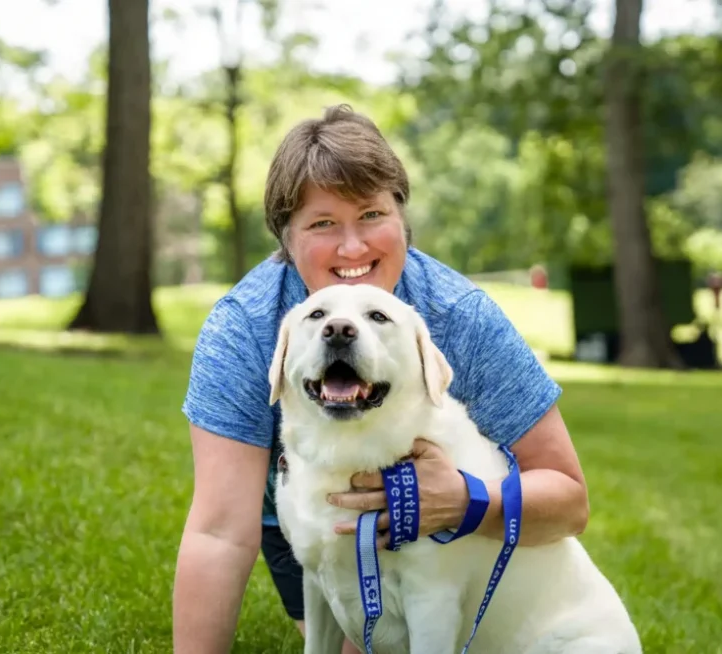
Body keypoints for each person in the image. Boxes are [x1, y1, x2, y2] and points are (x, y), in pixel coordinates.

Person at [172, 104, 590, 654]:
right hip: (302, 525)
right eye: (322, 223)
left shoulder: (458, 316)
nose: (353, 247)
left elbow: (569, 502)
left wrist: (469, 502)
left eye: (371, 214)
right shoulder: (246, 327)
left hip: (450, 543)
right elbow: (219, 531)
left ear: (402, 219)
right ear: (286, 239)